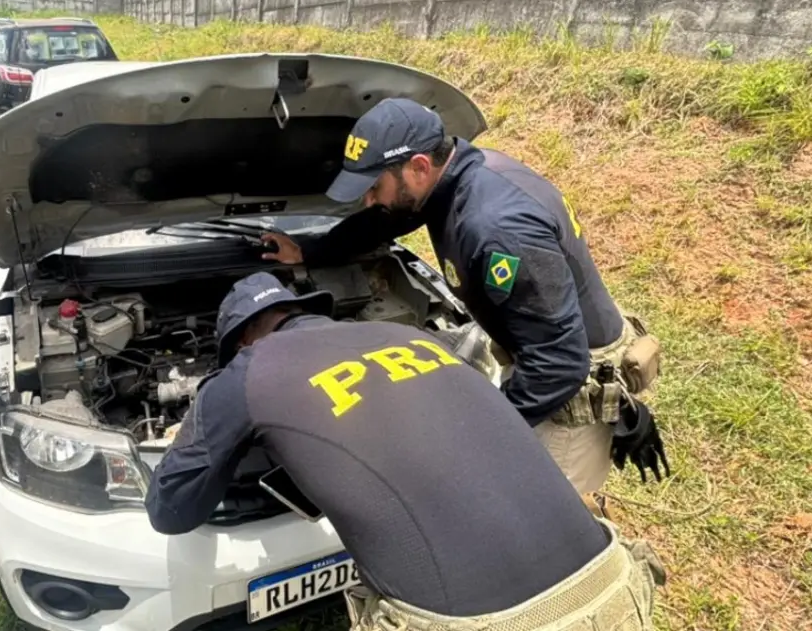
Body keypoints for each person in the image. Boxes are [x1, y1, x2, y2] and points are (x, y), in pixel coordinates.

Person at [145, 272, 665, 630]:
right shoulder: (410, 336)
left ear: (240, 341)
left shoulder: (248, 373)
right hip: (616, 589)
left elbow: (171, 512)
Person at [260, 98, 670, 497]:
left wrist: (473, 438)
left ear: (419, 167)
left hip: (567, 391)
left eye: (374, 186)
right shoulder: (455, 174)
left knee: (538, 513)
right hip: (539, 346)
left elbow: (558, 364)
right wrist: (309, 252)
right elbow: (386, 219)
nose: (368, 199)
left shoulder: (495, 228)